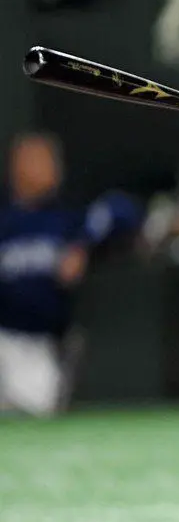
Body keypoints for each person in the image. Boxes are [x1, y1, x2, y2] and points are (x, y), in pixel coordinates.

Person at [0, 134, 86, 416]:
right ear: (16, 166)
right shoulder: (5, 220)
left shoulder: (67, 220)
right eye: (37, 160)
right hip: (3, 335)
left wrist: (83, 246)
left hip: (37, 345)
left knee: (33, 419)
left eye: (51, 161)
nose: (51, 168)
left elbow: (120, 211)